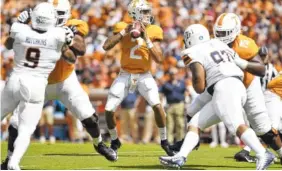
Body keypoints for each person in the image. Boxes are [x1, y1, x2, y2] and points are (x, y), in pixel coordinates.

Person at [1, 0, 116, 169]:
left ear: (68, 15)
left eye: (60, 14)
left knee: (89, 117)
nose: (56, 18)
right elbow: (10, 44)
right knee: (16, 123)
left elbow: (80, 50)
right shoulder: (37, 27)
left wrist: (67, 39)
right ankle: (9, 160)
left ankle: (98, 143)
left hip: (65, 81)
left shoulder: (72, 26)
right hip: (39, 82)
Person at [169, 13, 282, 163]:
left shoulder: (244, 44)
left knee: (262, 129)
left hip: (247, 85)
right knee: (191, 111)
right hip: (218, 85)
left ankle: (277, 153)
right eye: (219, 32)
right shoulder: (212, 43)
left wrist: (241, 63)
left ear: (236, 31)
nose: (222, 36)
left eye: (225, 33)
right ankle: (188, 145)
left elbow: (261, 70)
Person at [0, 2, 75, 169]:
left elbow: (8, 43)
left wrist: (20, 22)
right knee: (26, 129)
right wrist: (70, 38)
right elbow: (70, 54)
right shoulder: (59, 34)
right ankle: (14, 162)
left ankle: (11, 161)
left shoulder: (20, 29)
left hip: (15, 80)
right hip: (36, 85)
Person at [102, 0, 173, 157]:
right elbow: (106, 46)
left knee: (157, 105)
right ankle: (115, 140)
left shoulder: (154, 30)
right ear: (135, 13)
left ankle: (164, 141)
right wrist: (123, 33)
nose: (148, 15)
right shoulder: (122, 26)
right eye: (145, 12)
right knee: (108, 110)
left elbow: (159, 58)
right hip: (125, 73)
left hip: (144, 75)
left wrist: (147, 39)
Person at [235, 46, 282, 164]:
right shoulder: (259, 68)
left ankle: (252, 151)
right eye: (260, 56)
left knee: (263, 128)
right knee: (268, 128)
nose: (262, 58)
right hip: (263, 99)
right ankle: (252, 151)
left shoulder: (271, 69)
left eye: (263, 56)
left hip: (265, 99)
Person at [160, 67, 186, 144]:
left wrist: (185, 104)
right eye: (171, 74)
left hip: (179, 104)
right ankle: (170, 141)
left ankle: (180, 141)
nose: (173, 75)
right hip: (170, 105)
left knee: (180, 124)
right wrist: (162, 104)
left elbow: (185, 93)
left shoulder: (181, 83)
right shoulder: (166, 84)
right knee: (169, 125)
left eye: (174, 74)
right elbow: (161, 94)